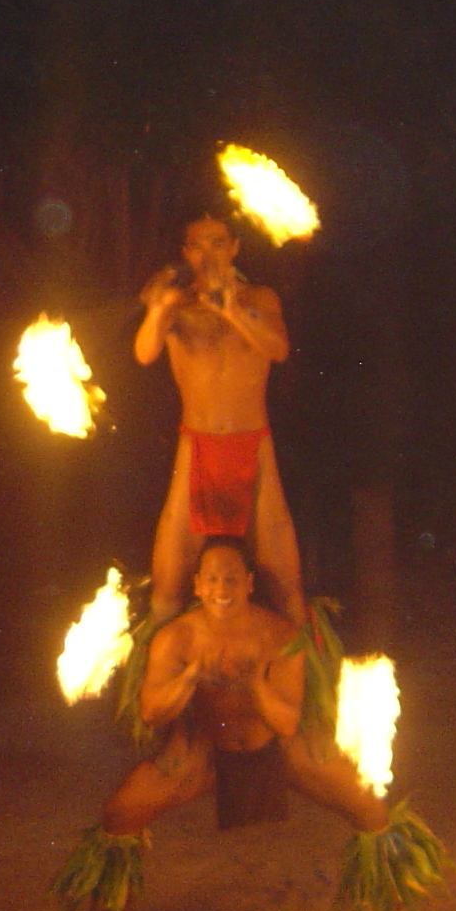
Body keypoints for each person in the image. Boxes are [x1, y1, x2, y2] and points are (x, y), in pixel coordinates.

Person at [55, 537, 445, 911]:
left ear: (249, 584)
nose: (223, 590)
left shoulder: (279, 635)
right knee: (122, 811)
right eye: (213, 580)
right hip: (207, 752)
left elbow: (286, 721)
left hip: (279, 749)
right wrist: (188, 678)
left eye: (232, 579)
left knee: (371, 808)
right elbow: (152, 712)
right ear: (199, 585)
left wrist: (256, 685)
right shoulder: (176, 638)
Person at [134, 214, 302, 620]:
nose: (207, 254)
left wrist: (232, 311)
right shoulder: (174, 302)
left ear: (234, 248)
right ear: (186, 252)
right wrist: (159, 311)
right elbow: (144, 353)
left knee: (285, 585)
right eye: (198, 245)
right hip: (196, 447)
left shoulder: (259, 299)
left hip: (253, 446)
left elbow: (277, 348)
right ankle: (158, 676)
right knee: (169, 585)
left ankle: (304, 678)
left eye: (217, 243)